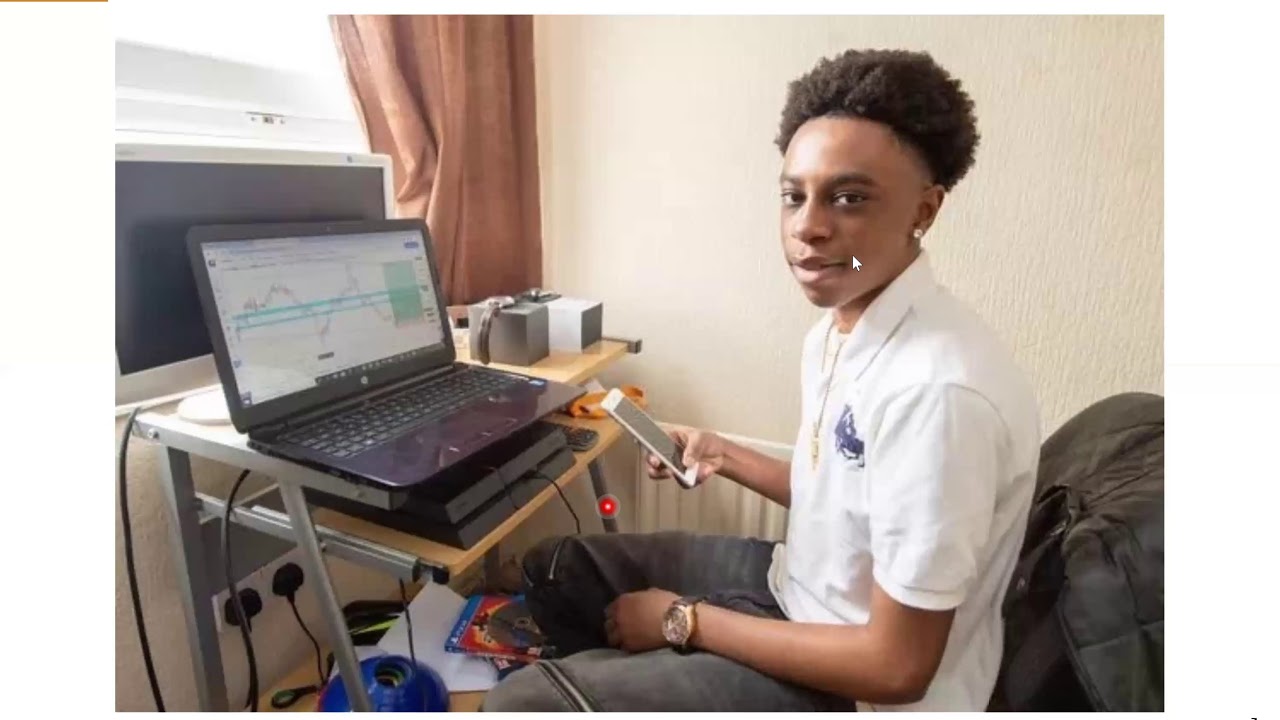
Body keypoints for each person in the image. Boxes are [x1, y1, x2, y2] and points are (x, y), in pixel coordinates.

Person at [481, 48, 1040, 712]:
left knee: (520, 706)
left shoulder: (938, 394)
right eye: (794, 196)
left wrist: (682, 621)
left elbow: (896, 668)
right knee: (556, 569)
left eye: (849, 198)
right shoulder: (840, 328)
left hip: (855, 687)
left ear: (925, 210)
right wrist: (724, 454)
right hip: (795, 588)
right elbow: (846, 496)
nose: (808, 227)